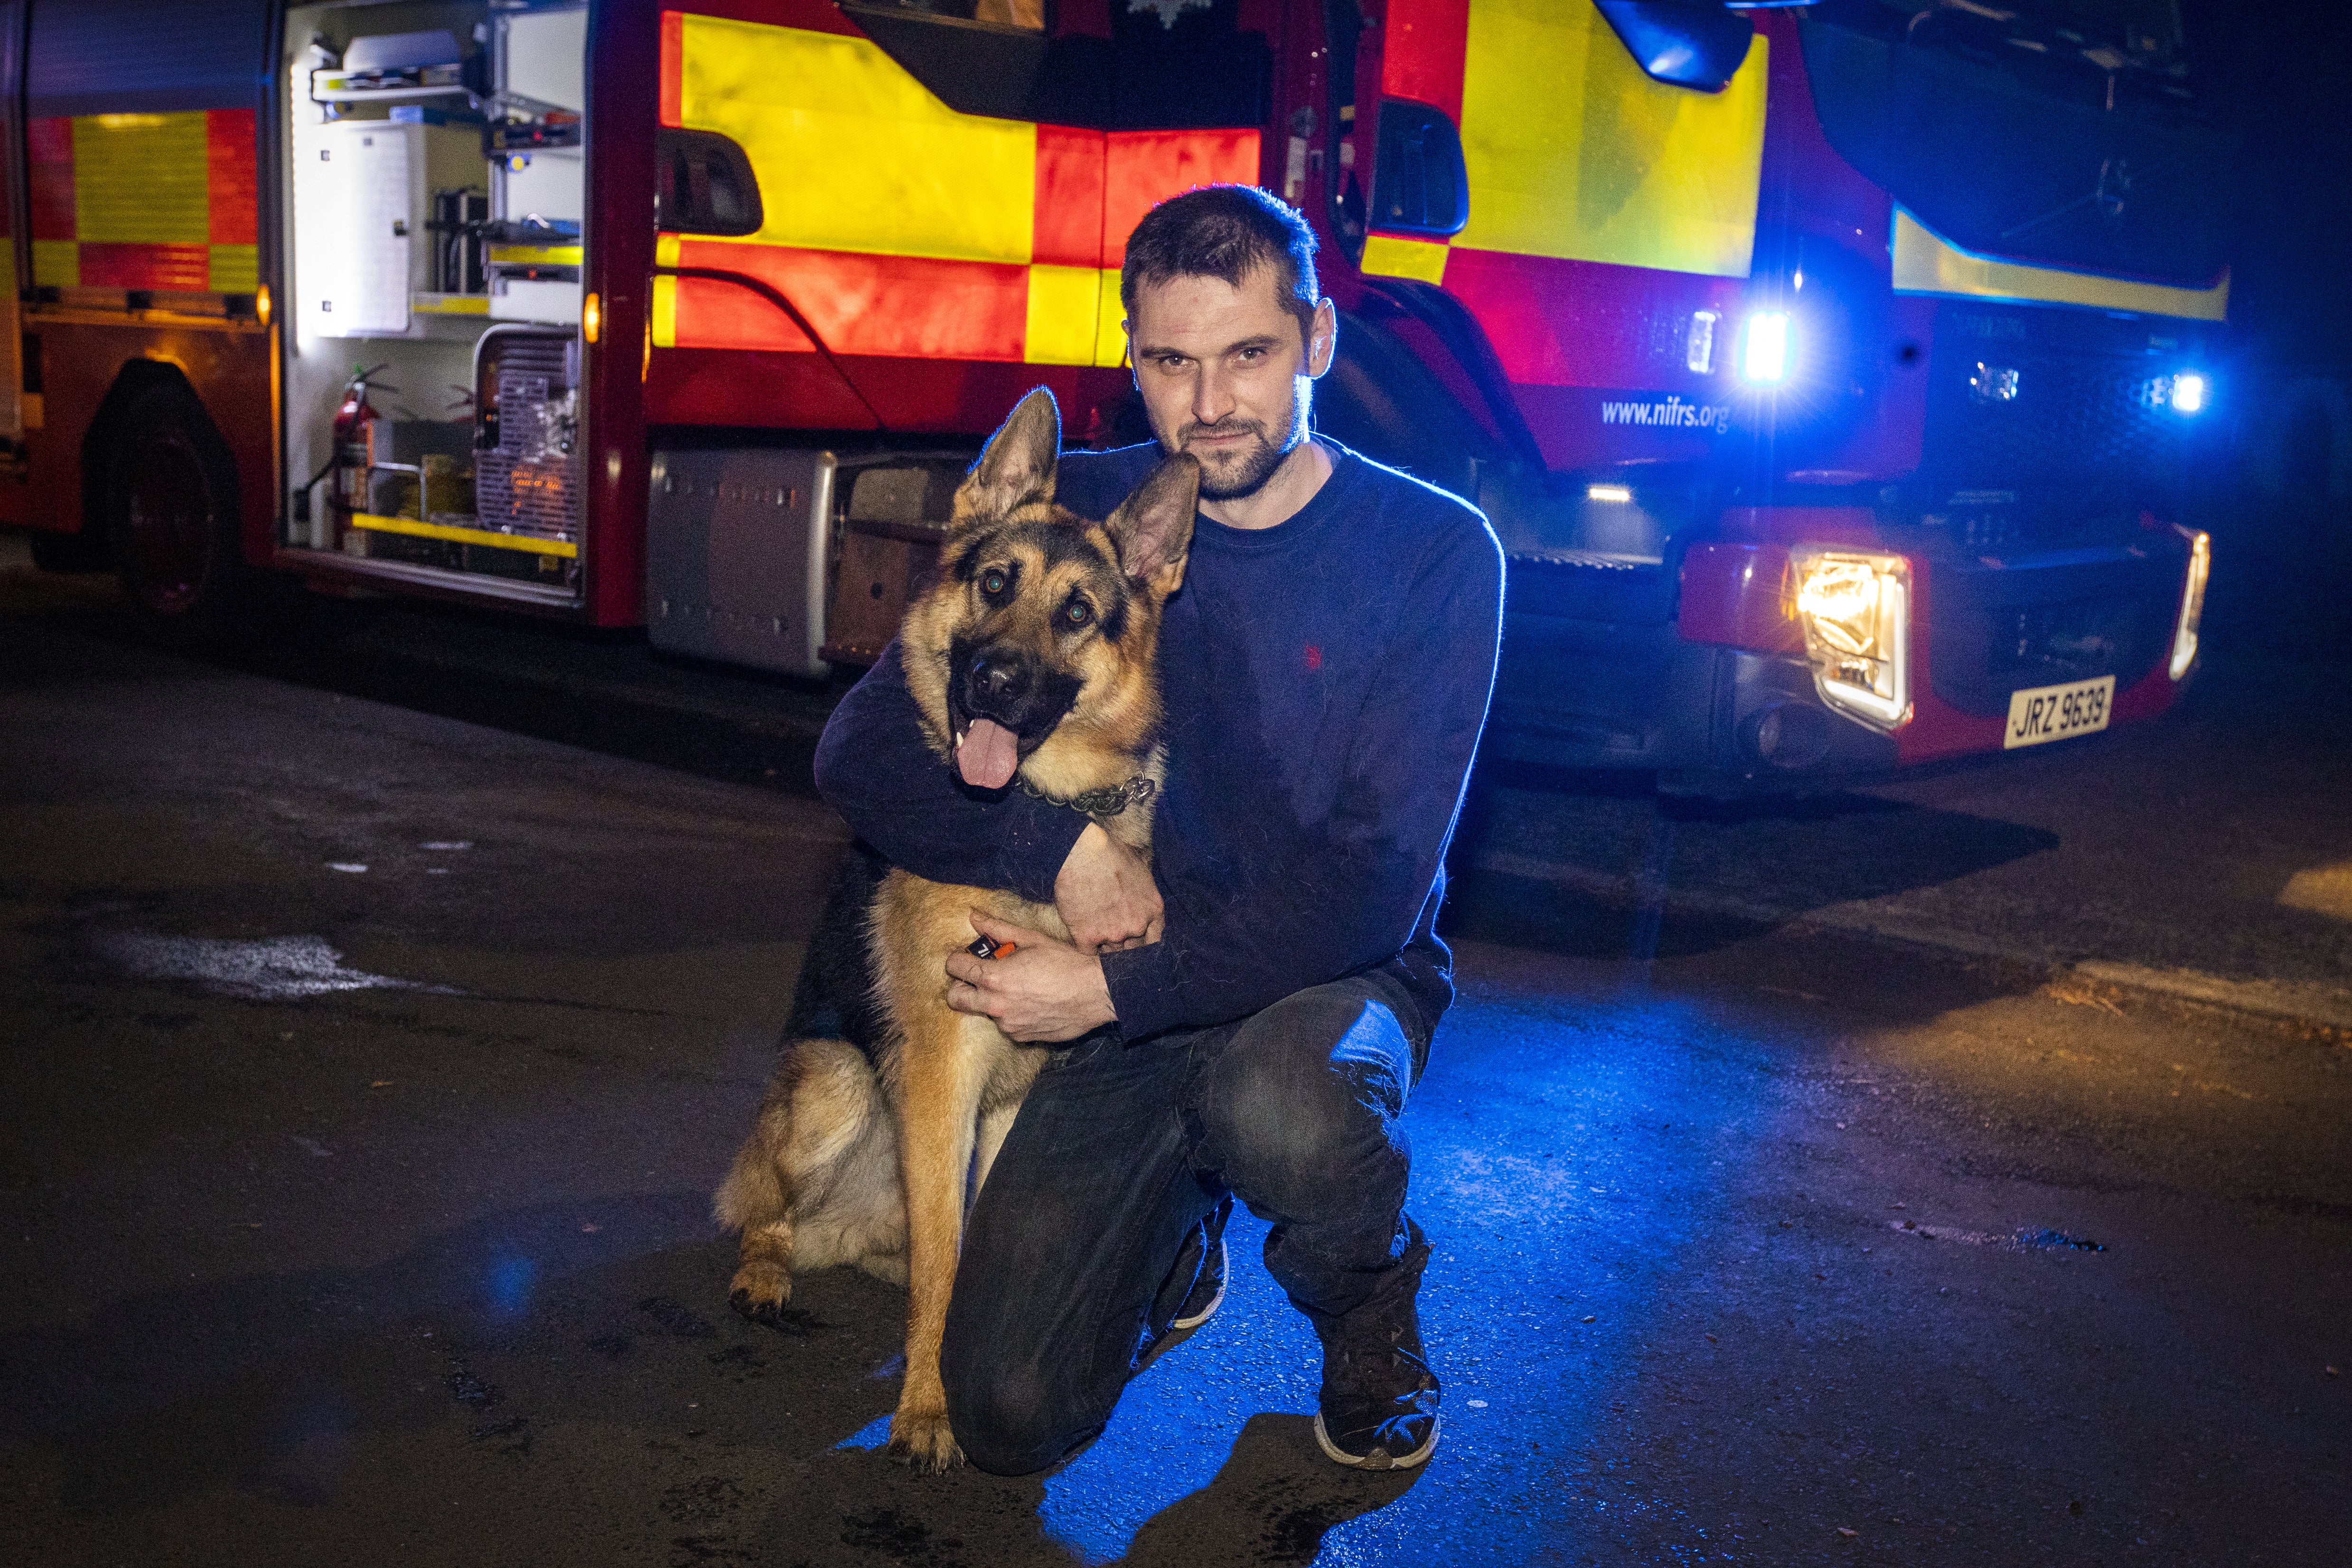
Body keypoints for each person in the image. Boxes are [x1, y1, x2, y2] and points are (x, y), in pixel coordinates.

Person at [812, 184, 1503, 1474]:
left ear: (1318, 343)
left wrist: (1120, 985)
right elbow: (857, 749)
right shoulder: (1089, 516)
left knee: (1282, 1106)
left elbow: (1372, 889)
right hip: (1119, 976)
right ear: (1131, 361)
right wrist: (1054, 852)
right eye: (1172, 362)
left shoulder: (1432, 553)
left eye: (1249, 354)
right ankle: (1171, 1223)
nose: (1212, 403)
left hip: (1321, 976)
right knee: (1008, 1415)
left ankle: (1366, 1300)